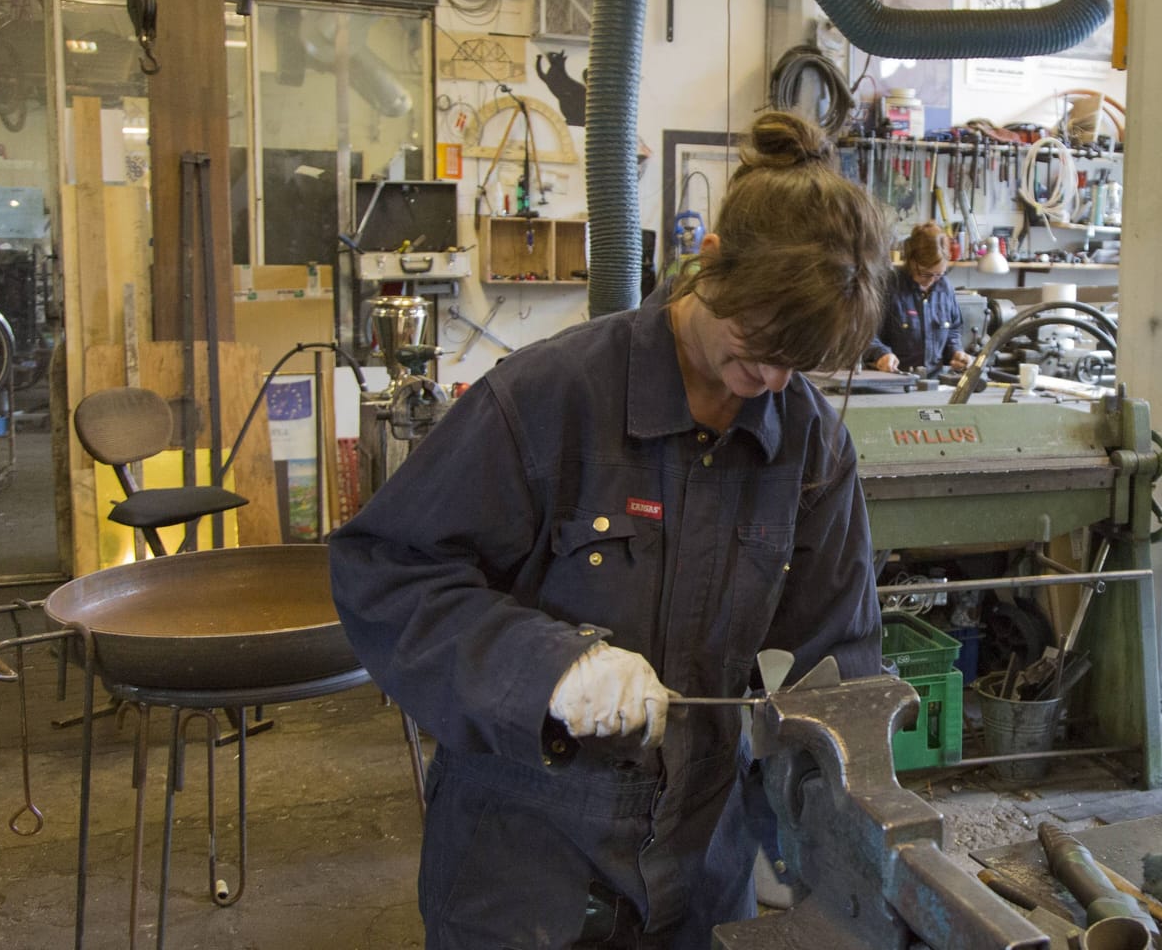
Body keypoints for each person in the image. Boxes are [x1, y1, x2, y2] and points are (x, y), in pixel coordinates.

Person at [329, 111, 891, 948]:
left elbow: (838, 662)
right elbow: (386, 572)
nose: (769, 379)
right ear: (709, 268)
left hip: (703, 868)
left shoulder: (808, 443)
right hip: (523, 864)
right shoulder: (547, 400)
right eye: (757, 345)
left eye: (795, 364)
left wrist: (837, 840)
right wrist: (547, 670)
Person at [866, 223, 974, 374]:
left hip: (934, 382)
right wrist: (881, 354)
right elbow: (866, 335)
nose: (931, 280)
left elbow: (953, 329)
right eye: (925, 273)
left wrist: (956, 352)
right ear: (911, 261)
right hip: (893, 380)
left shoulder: (944, 287)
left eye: (938, 274)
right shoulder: (888, 286)